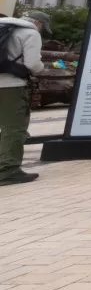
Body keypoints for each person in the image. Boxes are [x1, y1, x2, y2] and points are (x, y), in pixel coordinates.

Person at [0, 11, 51, 186]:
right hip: (11, 86)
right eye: (43, 26)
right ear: (37, 22)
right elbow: (33, 65)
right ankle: (8, 171)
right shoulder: (30, 33)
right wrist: (42, 68)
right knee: (13, 128)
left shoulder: (3, 26)